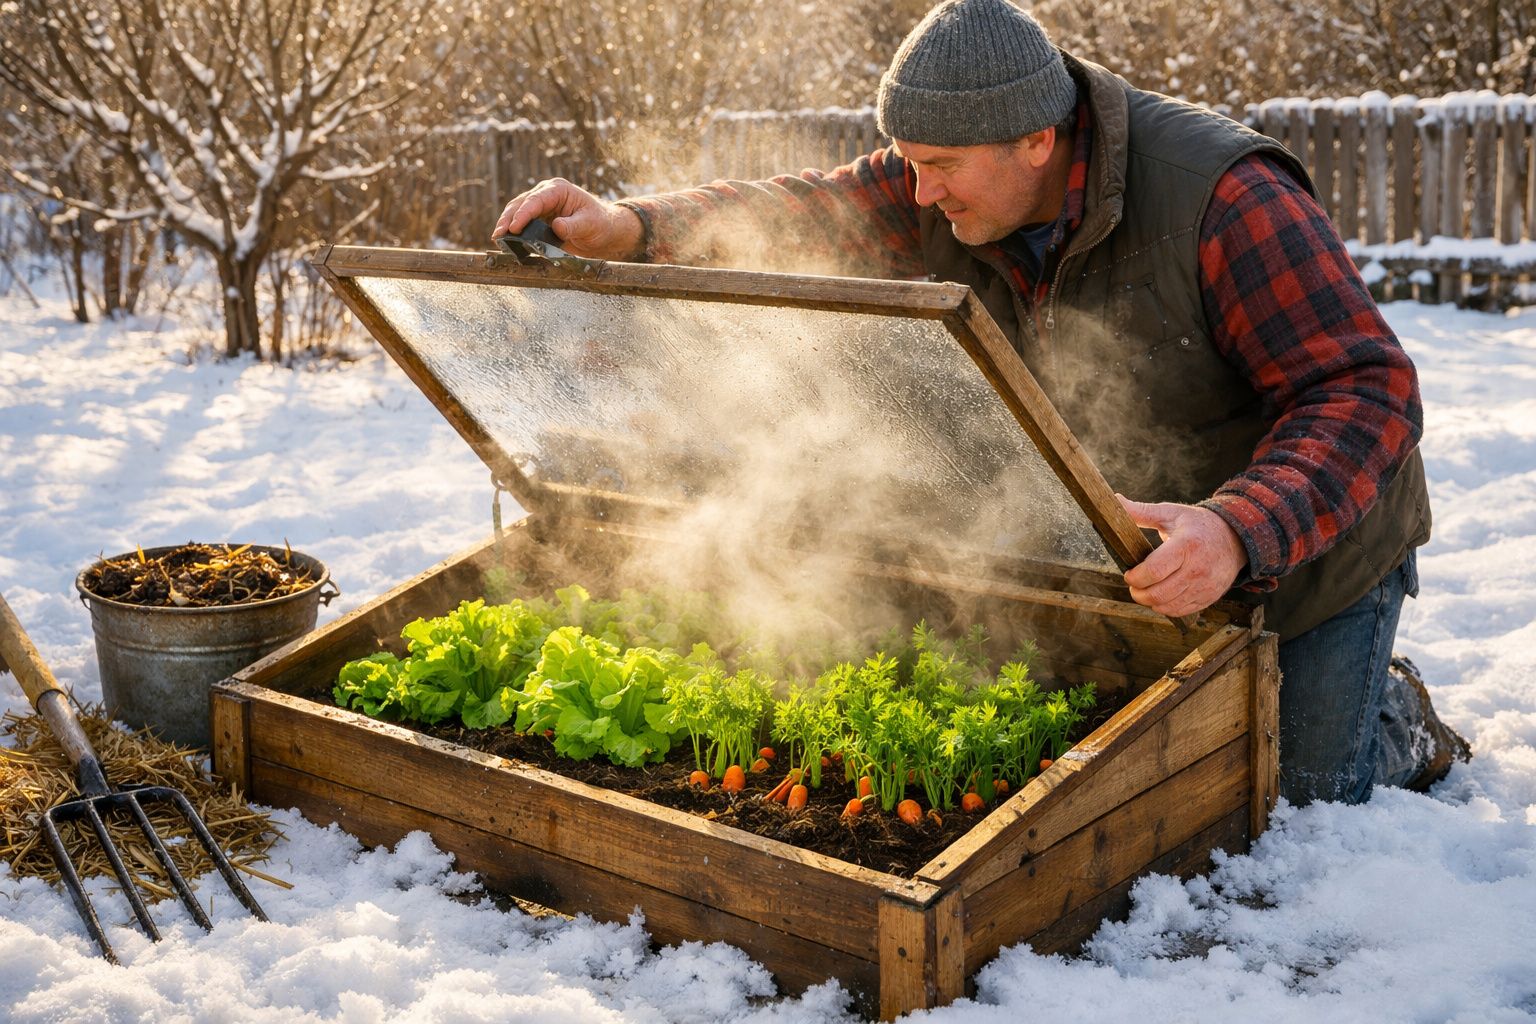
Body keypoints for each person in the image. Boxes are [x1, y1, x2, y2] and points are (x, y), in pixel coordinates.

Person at [491, 0, 1469, 804]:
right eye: (908, 161)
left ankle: (1391, 714)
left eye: (940, 168)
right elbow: (802, 211)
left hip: (1300, 546)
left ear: (1038, 139)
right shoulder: (959, 169)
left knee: (1281, 795)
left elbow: (1366, 389)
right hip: (1117, 537)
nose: (917, 193)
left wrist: (1237, 530)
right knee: (1120, 762)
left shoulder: (1224, 195)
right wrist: (628, 229)